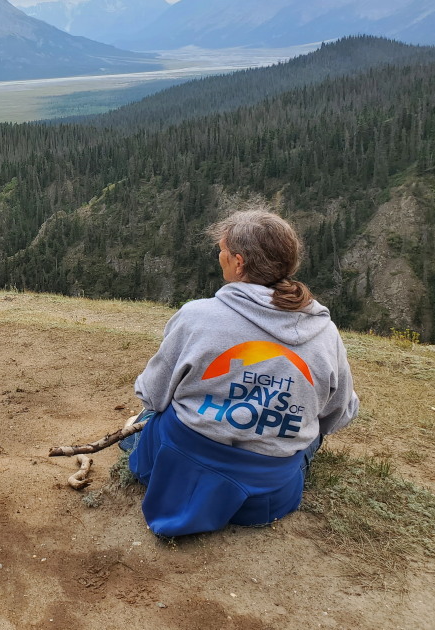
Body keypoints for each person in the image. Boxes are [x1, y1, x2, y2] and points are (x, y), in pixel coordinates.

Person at [125, 209, 358, 538]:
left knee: (150, 415)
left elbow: (152, 394)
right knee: (310, 437)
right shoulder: (326, 334)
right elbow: (338, 414)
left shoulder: (196, 317)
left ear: (237, 262)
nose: (218, 256)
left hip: (179, 470)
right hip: (265, 498)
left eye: (221, 249)